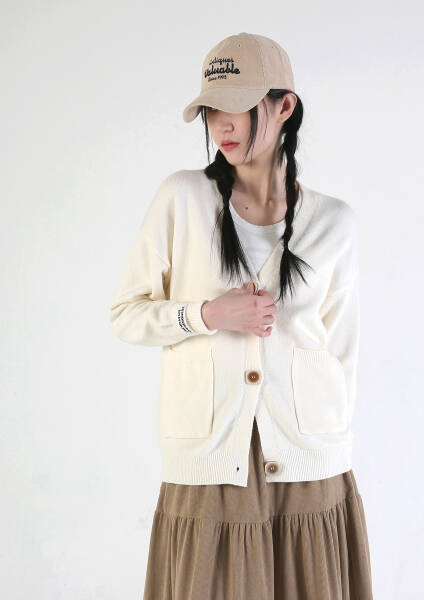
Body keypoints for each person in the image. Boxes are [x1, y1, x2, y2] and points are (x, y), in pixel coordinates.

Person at [109, 32, 373, 600]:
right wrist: (206, 314)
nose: (220, 124)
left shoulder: (334, 222)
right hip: (210, 464)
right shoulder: (182, 198)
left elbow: (341, 352)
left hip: (308, 470)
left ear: (284, 107)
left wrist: (327, 448)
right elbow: (127, 314)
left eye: (237, 106)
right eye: (211, 110)